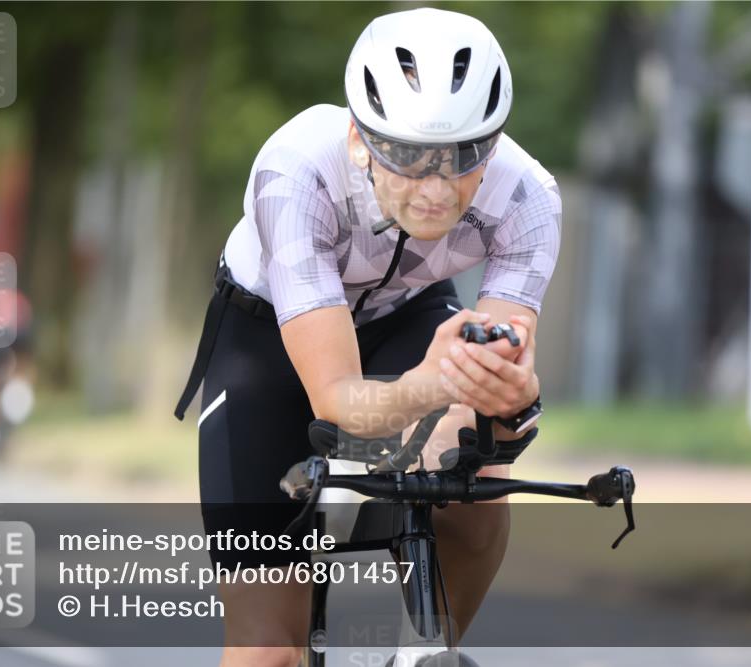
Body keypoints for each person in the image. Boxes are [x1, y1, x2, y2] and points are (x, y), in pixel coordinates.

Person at [174, 8, 561, 666]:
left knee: (477, 488)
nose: (437, 188)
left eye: (466, 155)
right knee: (267, 648)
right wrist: (437, 384)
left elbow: (498, 386)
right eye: (408, 154)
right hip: (267, 334)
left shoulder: (528, 198)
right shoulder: (297, 170)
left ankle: (421, 653)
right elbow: (337, 400)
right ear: (359, 138)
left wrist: (502, 401)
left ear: (493, 143)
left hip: (408, 314)